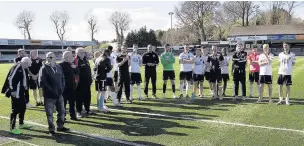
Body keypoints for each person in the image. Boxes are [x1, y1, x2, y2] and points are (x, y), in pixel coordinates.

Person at [39, 52, 70, 136]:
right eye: (47, 57)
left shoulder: (58, 67)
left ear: (55, 58)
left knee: (62, 111)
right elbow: (43, 82)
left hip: (59, 94)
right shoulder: (44, 69)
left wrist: (62, 87)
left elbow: (63, 78)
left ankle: (60, 126)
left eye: (51, 57)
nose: (49, 59)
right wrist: (52, 91)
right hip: (49, 95)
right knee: (49, 114)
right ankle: (51, 129)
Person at [7, 57, 32, 135]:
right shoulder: (17, 67)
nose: (29, 66)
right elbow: (10, 79)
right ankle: (12, 128)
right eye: (29, 64)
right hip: (16, 93)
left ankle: (21, 124)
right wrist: (13, 90)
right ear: (25, 63)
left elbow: (23, 78)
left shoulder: (23, 67)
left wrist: (24, 85)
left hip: (21, 92)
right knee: (15, 110)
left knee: (23, 108)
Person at [74, 47, 95, 117]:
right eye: (81, 52)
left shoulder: (86, 60)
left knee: (87, 97)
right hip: (80, 83)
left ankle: (87, 110)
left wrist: (90, 79)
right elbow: (75, 72)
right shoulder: (76, 60)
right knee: (79, 97)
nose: (83, 53)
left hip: (87, 82)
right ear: (77, 53)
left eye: (83, 52)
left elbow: (89, 70)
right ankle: (79, 112)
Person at [59, 51, 79, 121]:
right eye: (71, 56)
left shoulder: (72, 64)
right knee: (63, 103)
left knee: (72, 102)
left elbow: (77, 72)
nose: (72, 57)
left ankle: (73, 115)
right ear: (66, 57)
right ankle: (62, 117)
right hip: (64, 88)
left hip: (72, 86)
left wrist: (75, 67)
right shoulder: (60, 65)